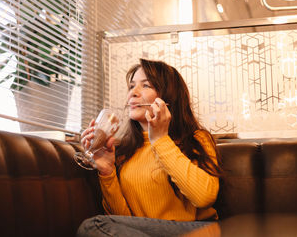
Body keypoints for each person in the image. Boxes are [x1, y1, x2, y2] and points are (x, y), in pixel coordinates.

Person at [77, 58, 222, 237]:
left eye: (146, 86)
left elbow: (204, 197)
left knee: (93, 227)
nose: (133, 93)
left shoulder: (197, 139)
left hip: (196, 230)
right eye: (131, 87)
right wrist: (107, 171)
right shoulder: (123, 150)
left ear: (168, 97)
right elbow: (123, 224)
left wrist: (160, 139)